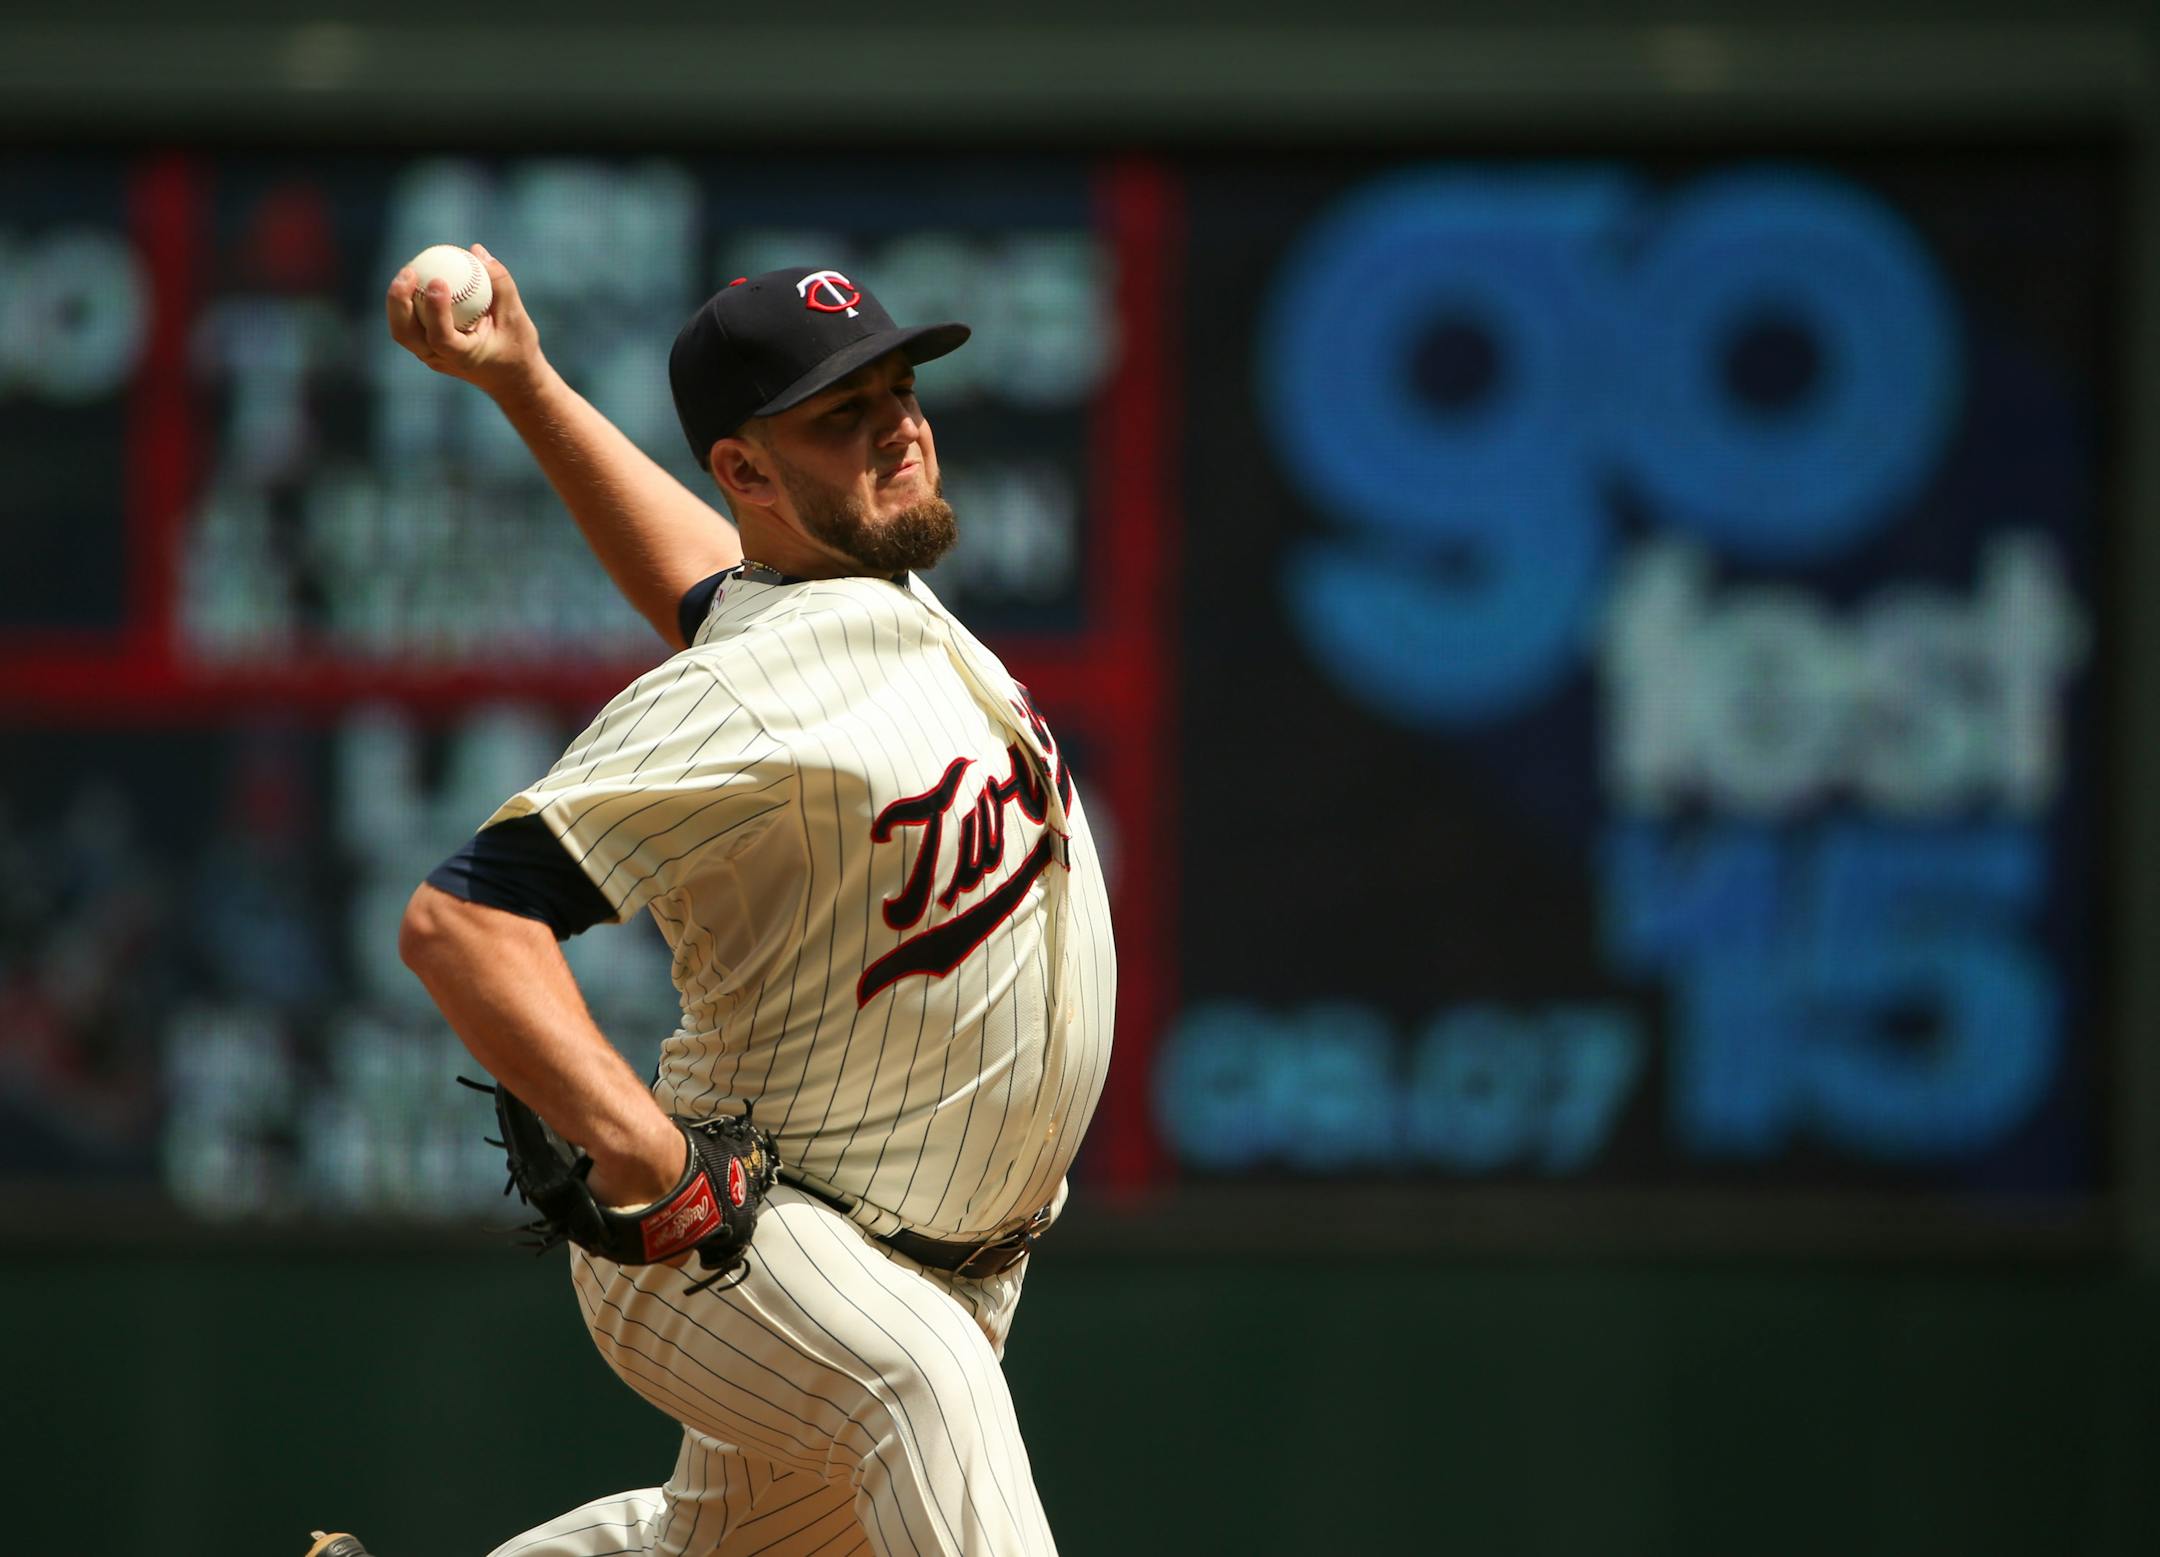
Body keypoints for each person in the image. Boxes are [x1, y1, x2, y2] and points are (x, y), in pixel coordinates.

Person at [317, 250, 1116, 1557]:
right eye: (841, 414)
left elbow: (707, 576)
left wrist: (523, 379)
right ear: (748, 469)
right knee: (921, 1388)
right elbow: (462, 921)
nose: (897, 430)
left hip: (929, 1260)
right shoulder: (742, 698)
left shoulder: (855, 597)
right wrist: (648, 1159)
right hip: (746, 1241)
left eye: (898, 389)